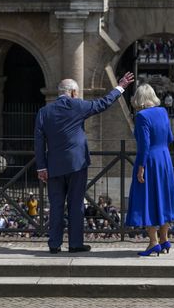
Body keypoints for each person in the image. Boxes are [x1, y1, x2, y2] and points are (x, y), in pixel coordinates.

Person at [35, 72, 134, 254]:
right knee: (76, 204)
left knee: (56, 205)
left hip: (54, 166)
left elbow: (39, 140)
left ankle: (54, 244)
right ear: (73, 93)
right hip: (77, 164)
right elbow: (103, 103)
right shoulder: (78, 106)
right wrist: (121, 87)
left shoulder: (44, 112)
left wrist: (41, 166)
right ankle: (75, 244)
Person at [125, 83, 174, 256]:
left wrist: (141, 167)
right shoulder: (163, 112)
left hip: (150, 160)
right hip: (165, 158)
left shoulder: (141, 116)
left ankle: (153, 242)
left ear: (138, 99)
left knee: (146, 198)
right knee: (163, 197)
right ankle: (165, 239)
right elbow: (170, 137)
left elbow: (144, 146)